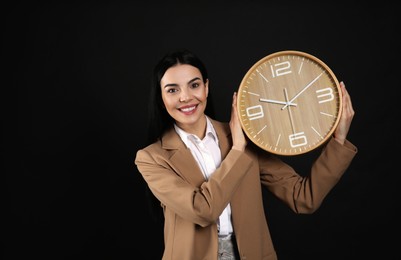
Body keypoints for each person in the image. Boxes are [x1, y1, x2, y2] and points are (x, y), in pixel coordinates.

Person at [134, 48, 357, 260]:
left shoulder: (247, 137)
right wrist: (238, 150)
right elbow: (203, 210)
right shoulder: (151, 158)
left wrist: (338, 140)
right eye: (173, 90)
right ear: (161, 99)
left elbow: (304, 197)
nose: (185, 97)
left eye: (194, 85)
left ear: (206, 87)